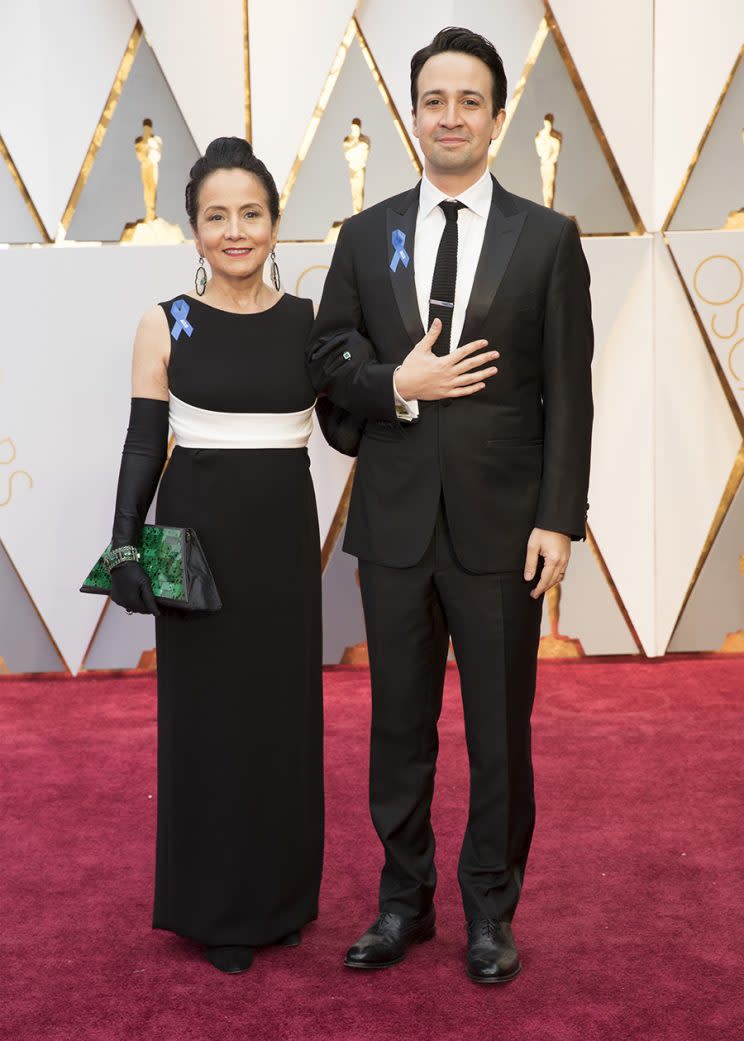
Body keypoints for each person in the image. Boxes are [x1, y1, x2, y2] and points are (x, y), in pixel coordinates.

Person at [307, 27, 593, 983]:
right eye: (435, 100)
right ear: (412, 114)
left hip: (506, 530)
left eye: (471, 101)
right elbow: (327, 361)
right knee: (398, 725)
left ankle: (490, 912)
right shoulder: (364, 232)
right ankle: (402, 903)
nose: (452, 117)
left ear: (499, 118)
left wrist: (559, 517)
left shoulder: (549, 239)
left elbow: (569, 389)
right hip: (392, 527)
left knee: (499, 732)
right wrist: (401, 384)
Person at [107, 137, 323, 974]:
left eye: (252, 214)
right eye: (216, 216)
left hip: (279, 537)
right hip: (185, 536)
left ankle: (282, 898)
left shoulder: (309, 322)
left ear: (274, 223)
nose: (236, 231)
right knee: (203, 722)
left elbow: (349, 412)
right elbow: (141, 442)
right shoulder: (165, 321)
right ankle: (214, 908)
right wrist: (125, 540)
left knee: (280, 715)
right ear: (194, 230)